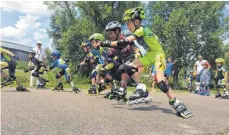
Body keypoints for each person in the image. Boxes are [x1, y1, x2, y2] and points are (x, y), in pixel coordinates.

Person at [99, 7, 192, 118]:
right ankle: (141, 88)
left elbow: (123, 42)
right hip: (149, 55)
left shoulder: (141, 30)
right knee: (126, 67)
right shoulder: (140, 31)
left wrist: (105, 43)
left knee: (160, 81)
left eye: (128, 23)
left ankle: (176, 102)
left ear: (137, 22)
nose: (127, 26)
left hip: (158, 55)